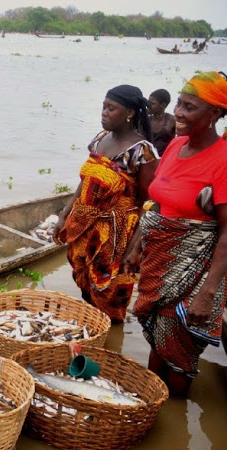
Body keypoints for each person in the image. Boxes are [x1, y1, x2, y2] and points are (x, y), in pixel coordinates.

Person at [127, 72, 227, 398]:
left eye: (189, 107)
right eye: (179, 103)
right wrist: (137, 246)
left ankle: (175, 409)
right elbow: (158, 204)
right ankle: (153, 403)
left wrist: (208, 292)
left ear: (214, 115)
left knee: (178, 350)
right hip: (159, 264)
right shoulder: (176, 146)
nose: (178, 112)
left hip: (194, 275)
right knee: (159, 338)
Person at [53, 85, 158, 324]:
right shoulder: (100, 140)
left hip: (118, 237)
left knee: (111, 297)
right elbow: (85, 181)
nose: (104, 113)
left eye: (111, 108)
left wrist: (135, 247)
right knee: (86, 287)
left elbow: (150, 202)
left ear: (129, 113)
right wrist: (64, 215)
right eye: (103, 107)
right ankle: (93, 335)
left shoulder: (142, 151)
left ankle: (110, 339)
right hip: (86, 228)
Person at [148, 89, 176, 155]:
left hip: (165, 159)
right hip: (148, 160)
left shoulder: (172, 121)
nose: (148, 106)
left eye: (152, 103)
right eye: (148, 102)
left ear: (163, 105)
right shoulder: (146, 120)